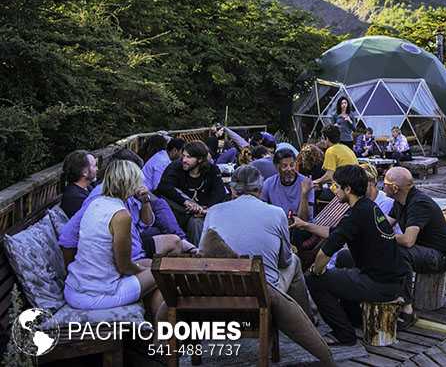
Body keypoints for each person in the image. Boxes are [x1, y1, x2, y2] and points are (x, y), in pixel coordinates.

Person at [297, 165, 410, 346]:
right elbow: (336, 232)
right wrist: (305, 225)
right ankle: (354, 317)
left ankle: (344, 334)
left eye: (336, 186)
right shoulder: (368, 206)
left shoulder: (355, 215)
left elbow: (326, 251)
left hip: (381, 285)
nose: (334, 190)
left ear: (347, 189)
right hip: (393, 278)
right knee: (343, 259)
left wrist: (316, 270)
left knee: (314, 280)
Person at [64, 159, 167, 322]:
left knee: (152, 266)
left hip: (75, 287)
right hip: (97, 295)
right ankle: (161, 335)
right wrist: (145, 272)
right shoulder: (120, 215)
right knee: (163, 273)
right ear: (130, 183)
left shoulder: (96, 202)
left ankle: (154, 329)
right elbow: (124, 266)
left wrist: (143, 269)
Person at [202, 165, 311, 316]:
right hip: (262, 294)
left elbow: (204, 252)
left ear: (233, 190)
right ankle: (304, 318)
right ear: (260, 189)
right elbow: (284, 261)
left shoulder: (213, 212)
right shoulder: (277, 213)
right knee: (294, 261)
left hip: (223, 290)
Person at [60, 149, 192, 266]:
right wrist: (71, 269)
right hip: (121, 257)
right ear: (126, 177)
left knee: (173, 239)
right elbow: (68, 235)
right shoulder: (100, 199)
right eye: (136, 178)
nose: (140, 183)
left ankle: (191, 249)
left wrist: (145, 201)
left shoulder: (126, 195)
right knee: (160, 274)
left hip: (134, 244)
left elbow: (147, 222)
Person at [383, 166, 446, 323]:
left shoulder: (418, 203)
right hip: (424, 250)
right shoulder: (400, 201)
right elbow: (385, 224)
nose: (382, 186)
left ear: (395, 188)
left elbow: (408, 240)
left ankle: (407, 309)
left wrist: (383, 236)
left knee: (400, 252)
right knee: (386, 248)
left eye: (385, 183)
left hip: (440, 256)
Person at [155, 140, 228, 245]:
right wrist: (186, 202)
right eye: (183, 156)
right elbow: (164, 187)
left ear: (200, 159)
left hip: (203, 212)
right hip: (180, 209)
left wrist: (206, 209)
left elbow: (220, 192)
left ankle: (198, 254)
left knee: (197, 222)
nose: (184, 160)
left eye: (188, 157)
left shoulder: (212, 170)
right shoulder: (176, 167)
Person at [60, 150, 98, 218]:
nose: (97, 169)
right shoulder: (75, 198)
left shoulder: (87, 187)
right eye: (94, 166)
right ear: (84, 172)